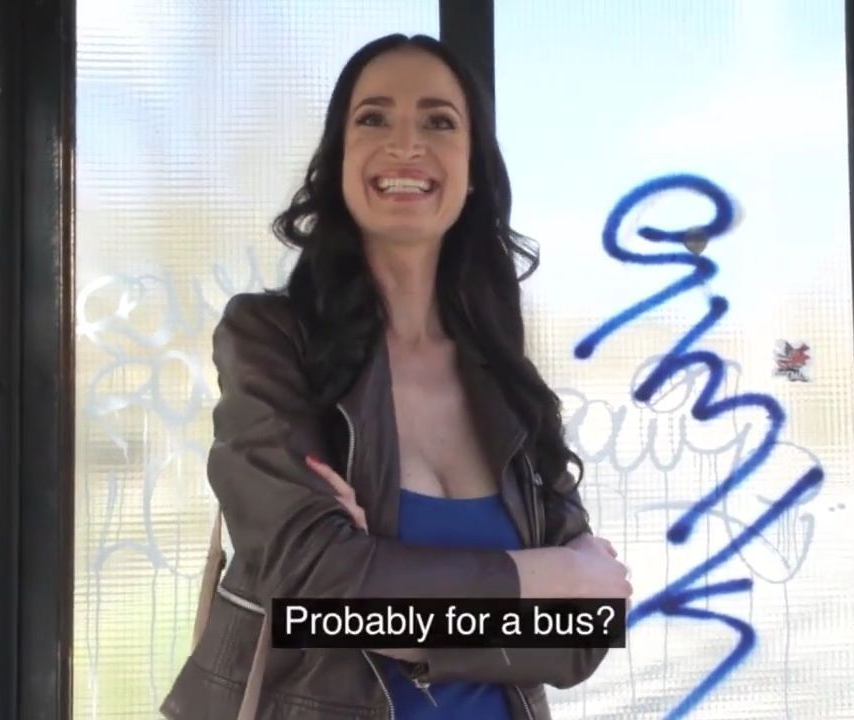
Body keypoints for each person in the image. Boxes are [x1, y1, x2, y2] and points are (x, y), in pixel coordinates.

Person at [161, 33, 631, 720]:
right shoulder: (272, 340)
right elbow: (309, 585)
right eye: (374, 118)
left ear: (472, 169)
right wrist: (539, 577)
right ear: (339, 161)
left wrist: (385, 599)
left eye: (438, 122)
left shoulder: (505, 376)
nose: (406, 144)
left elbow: (584, 634)